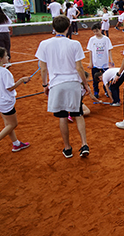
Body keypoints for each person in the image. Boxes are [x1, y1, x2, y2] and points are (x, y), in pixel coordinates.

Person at [35, 15, 91, 158]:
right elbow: (79, 68)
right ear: (68, 27)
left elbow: (42, 68)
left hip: (56, 84)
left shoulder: (44, 44)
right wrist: (85, 84)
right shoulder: (74, 44)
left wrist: (45, 84)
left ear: (53, 28)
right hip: (73, 83)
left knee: (62, 117)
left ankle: (67, 148)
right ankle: (84, 144)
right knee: (78, 114)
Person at [0, 47, 31, 157]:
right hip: (5, 102)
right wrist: (22, 80)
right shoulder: (4, 72)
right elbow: (10, 87)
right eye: (5, 55)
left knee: (8, 124)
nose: (8, 57)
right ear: (0, 59)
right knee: (13, 124)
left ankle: (16, 144)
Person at [87, 22, 114, 99]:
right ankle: (96, 92)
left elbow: (109, 50)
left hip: (104, 64)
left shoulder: (106, 39)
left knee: (106, 79)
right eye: (94, 31)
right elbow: (90, 51)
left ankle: (106, 91)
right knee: (95, 80)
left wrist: (111, 60)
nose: (96, 33)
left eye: (97, 31)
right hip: (95, 64)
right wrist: (90, 62)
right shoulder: (92, 39)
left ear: (100, 29)